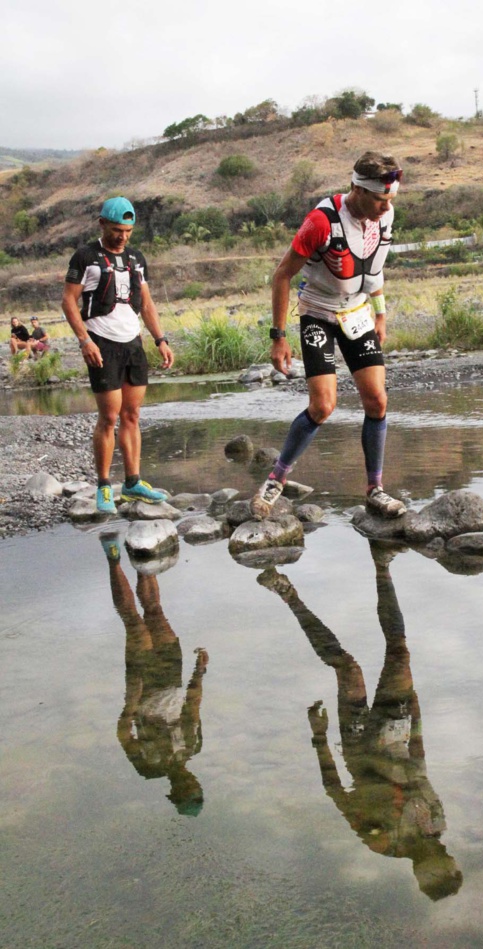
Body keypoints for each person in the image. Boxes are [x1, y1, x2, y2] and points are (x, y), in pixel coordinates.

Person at [257, 542, 463, 901]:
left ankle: (286, 593)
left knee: (346, 667)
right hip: (395, 730)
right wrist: (416, 714)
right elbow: (420, 764)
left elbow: (336, 792)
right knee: (398, 648)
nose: (445, 856)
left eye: (439, 869)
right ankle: (382, 565)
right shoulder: (437, 822)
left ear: (421, 876)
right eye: (450, 862)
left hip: (358, 745)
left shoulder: (383, 842)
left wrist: (319, 738)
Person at [251, 151, 406, 521]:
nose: (386, 207)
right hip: (319, 313)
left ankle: (375, 489)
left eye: (391, 200)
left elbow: (375, 267)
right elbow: (281, 276)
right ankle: (276, 479)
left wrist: (380, 313)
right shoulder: (321, 222)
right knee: (323, 406)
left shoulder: (384, 217)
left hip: (358, 313)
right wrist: (278, 336)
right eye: (380, 199)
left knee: (377, 402)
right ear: (357, 188)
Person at [61, 196, 174, 514]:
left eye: (127, 231)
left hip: (133, 345)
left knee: (132, 416)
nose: (122, 236)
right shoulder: (85, 257)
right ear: (102, 224)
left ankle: (133, 482)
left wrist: (160, 340)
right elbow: (69, 302)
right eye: (116, 230)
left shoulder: (137, 258)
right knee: (109, 416)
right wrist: (84, 340)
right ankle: (103, 487)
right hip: (102, 343)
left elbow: (148, 304)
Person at [101, 531, 208, 816]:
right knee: (155, 611)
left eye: (186, 791)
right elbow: (192, 708)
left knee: (134, 623)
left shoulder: (148, 767)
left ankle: (113, 557)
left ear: (174, 792)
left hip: (143, 686)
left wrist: (130, 705)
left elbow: (124, 737)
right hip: (172, 675)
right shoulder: (193, 747)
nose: (189, 784)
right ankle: (141, 553)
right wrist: (199, 674)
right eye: (194, 788)